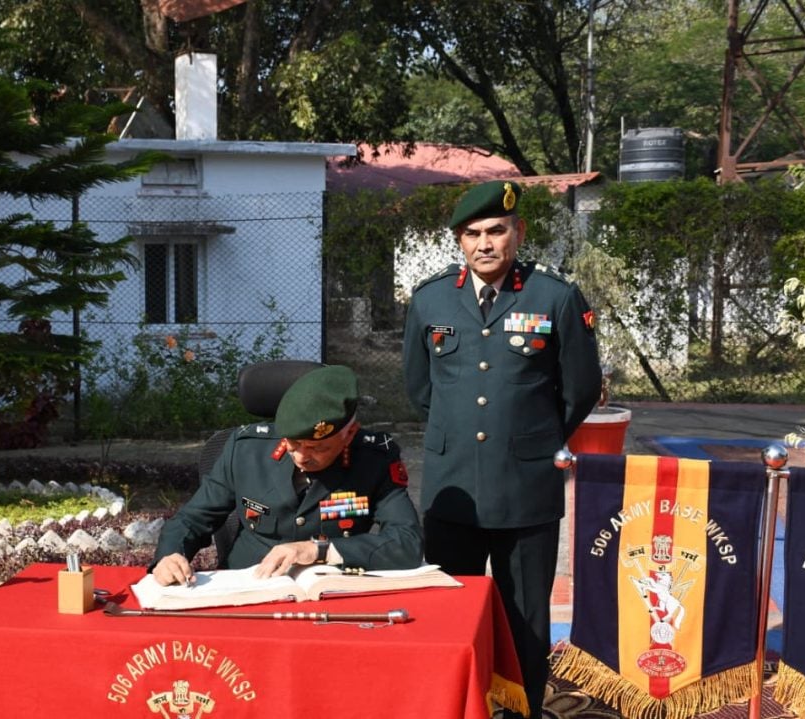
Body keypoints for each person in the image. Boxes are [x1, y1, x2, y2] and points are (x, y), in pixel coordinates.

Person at [402, 180, 601, 718]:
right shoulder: (430, 299)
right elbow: (421, 389)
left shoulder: (554, 297)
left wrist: (531, 437)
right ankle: (453, 706)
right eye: (473, 234)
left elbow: (580, 389)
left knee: (525, 619)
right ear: (459, 241)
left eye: (496, 230)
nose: (485, 243)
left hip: (526, 487)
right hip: (453, 490)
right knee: (448, 612)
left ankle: (521, 711)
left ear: (519, 232)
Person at [152, 364, 422, 585]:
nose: (302, 456)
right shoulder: (246, 451)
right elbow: (192, 519)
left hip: (331, 592)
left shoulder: (374, 460)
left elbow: (407, 543)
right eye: (293, 444)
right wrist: (170, 556)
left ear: (349, 434)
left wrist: (318, 550)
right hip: (247, 588)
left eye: (318, 447)